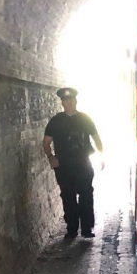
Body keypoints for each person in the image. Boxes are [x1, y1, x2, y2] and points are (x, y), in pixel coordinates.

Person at [42, 88, 103, 239]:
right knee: (68, 197)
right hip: (64, 166)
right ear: (62, 103)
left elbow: (96, 138)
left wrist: (102, 156)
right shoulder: (56, 121)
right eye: (65, 100)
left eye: (71, 100)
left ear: (76, 101)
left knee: (86, 195)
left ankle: (87, 229)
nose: (69, 103)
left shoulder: (85, 119)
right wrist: (51, 157)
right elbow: (46, 143)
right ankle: (72, 229)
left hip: (83, 163)